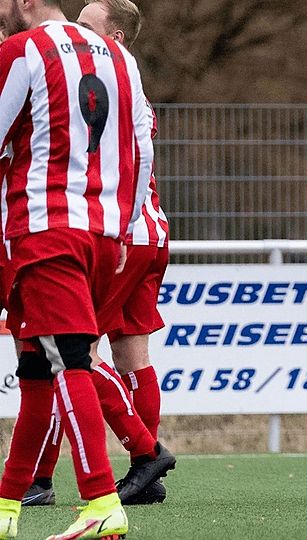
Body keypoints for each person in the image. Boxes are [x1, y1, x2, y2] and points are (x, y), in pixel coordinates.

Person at [21, 0, 176, 510]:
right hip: (147, 231)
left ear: (118, 40)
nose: (74, 35)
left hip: (117, 233)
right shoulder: (125, 88)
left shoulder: (104, 87)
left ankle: (132, 455)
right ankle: (145, 473)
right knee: (133, 356)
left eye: (87, 28)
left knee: (70, 353)